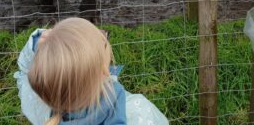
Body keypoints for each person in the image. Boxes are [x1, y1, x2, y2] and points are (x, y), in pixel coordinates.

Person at [15, 17, 169, 125]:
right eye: (103, 40)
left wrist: (40, 46)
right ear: (104, 71)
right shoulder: (137, 111)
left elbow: (24, 73)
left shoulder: (40, 106)